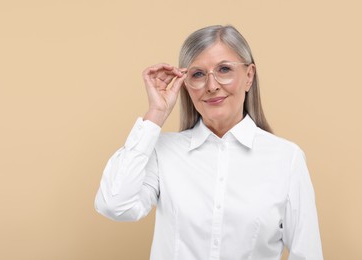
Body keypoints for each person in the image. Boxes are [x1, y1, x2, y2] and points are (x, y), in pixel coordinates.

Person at [95, 25, 323, 260]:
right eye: (198, 74)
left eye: (224, 69)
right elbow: (113, 204)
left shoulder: (286, 158)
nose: (212, 86)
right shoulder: (163, 152)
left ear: (249, 76)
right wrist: (156, 112)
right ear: (185, 84)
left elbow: (307, 253)